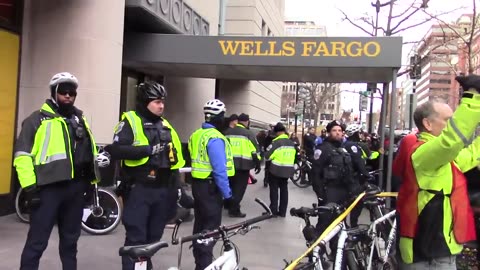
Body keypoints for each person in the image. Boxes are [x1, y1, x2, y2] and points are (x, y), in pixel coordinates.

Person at [13, 72, 104, 270]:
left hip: (76, 189)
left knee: (71, 243)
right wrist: (30, 189)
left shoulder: (80, 120)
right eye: (63, 92)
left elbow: (89, 153)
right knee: (37, 242)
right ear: (54, 93)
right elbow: (22, 156)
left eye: (72, 92)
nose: (68, 96)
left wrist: (91, 185)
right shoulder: (36, 120)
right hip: (47, 191)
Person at [396, 75, 480, 269]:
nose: (452, 125)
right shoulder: (422, 153)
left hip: (442, 251)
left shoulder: (442, 158)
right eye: (448, 120)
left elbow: (471, 154)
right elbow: (451, 141)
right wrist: (473, 99)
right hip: (425, 257)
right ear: (427, 124)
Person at [104, 81, 185, 270]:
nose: (161, 106)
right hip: (139, 189)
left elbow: (175, 161)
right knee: (136, 238)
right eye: (157, 102)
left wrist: (179, 189)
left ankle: (144, 266)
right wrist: (147, 150)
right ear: (145, 101)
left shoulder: (165, 124)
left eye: (163, 102)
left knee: (153, 238)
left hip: (163, 190)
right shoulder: (130, 121)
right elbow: (116, 150)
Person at [188, 99, 235, 270]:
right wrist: (228, 195)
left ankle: (199, 264)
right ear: (218, 117)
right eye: (223, 116)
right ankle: (205, 265)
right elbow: (219, 171)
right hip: (211, 188)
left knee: (199, 227)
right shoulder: (215, 138)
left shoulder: (196, 134)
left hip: (198, 186)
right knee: (210, 231)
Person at [224, 113, 260, 217]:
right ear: (247, 121)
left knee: (230, 186)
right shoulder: (248, 133)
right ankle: (234, 210)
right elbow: (255, 150)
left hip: (229, 165)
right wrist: (257, 162)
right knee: (239, 189)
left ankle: (227, 204)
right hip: (243, 166)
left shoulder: (227, 132)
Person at [265, 122, 297, 217]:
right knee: (284, 190)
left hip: (275, 170)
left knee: (274, 190)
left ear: (278, 132)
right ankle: (282, 212)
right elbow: (295, 158)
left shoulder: (276, 143)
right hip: (287, 171)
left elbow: (267, 156)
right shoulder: (291, 143)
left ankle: (273, 210)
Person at [263, 122, 277, 187]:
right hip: (272, 152)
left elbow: (265, 143)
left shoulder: (268, 134)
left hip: (270, 152)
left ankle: (266, 180)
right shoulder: (275, 134)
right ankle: (267, 180)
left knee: (268, 167)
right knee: (270, 167)